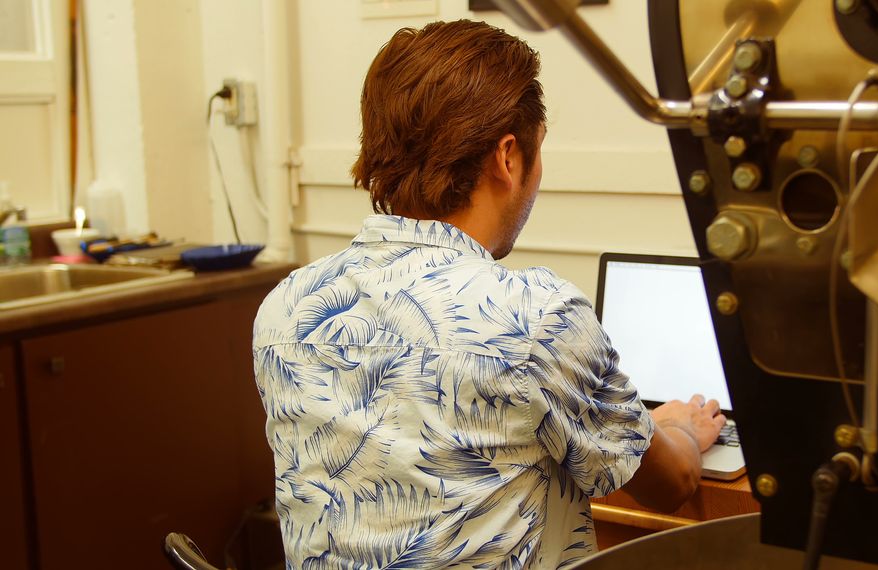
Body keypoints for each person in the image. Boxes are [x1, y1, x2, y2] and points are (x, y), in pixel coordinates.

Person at [252, 19, 726, 569]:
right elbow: (671, 485)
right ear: (508, 157)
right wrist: (678, 430)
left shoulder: (285, 307)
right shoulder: (534, 318)